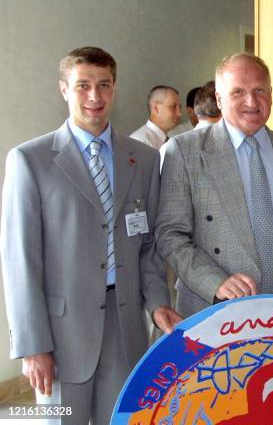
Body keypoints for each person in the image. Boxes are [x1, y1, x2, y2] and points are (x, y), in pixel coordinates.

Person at [0, 46, 182, 424]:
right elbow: (20, 259)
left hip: (125, 324)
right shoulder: (30, 161)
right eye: (83, 86)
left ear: (114, 88)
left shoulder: (144, 159)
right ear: (64, 90)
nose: (95, 97)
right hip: (61, 333)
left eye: (104, 85)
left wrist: (158, 300)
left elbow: (147, 245)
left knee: (122, 418)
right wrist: (33, 346)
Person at [155, 53, 273, 317]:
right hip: (215, 306)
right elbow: (170, 234)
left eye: (259, 90)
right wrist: (215, 282)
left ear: (271, 94)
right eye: (238, 92)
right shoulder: (184, 151)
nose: (251, 101)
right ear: (218, 98)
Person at [130, 85, 182, 150]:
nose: (179, 114)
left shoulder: (171, 139)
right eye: (173, 107)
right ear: (156, 108)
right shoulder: (141, 142)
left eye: (179, 107)